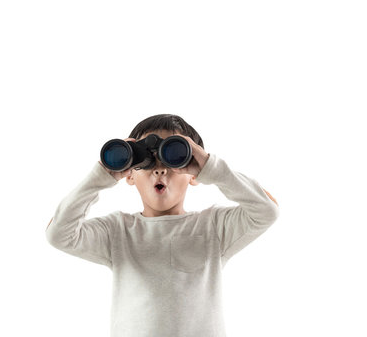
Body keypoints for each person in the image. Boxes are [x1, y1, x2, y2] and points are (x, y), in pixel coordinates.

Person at [45, 113, 279, 337]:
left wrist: (211, 167)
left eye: (174, 157)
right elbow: (59, 234)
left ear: (194, 174)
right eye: (145, 162)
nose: (159, 169)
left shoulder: (214, 227)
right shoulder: (117, 232)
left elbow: (266, 210)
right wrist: (101, 176)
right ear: (129, 175)